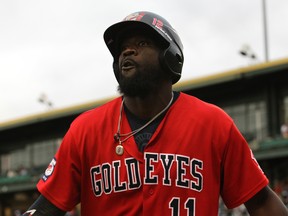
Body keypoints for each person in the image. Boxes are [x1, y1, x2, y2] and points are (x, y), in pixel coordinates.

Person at [22, 11, 288, 216]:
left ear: (171, 57)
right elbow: (46, 207)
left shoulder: (213, 124)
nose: (127, 50)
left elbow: (261, 201)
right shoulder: (85, 129)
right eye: (122, 48)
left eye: (142, 42)